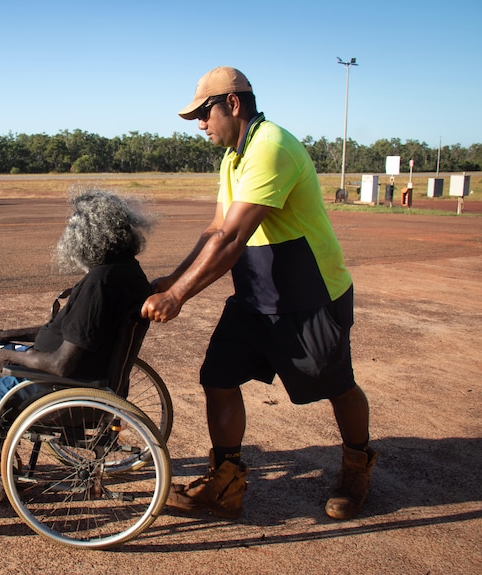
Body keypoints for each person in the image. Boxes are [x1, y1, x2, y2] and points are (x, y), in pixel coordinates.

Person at [141, 66, 377, 521]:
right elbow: (216, 228)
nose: (200, 124)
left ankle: (357, 466)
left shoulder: (271, 148)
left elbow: (232, 239)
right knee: (219, 377)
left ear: (232, 103)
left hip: (308, 297)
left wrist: (178, 297)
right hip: (256, 295)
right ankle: (225, 482)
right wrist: (174, 278)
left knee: (337, 385)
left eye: (203, 113)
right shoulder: (234, 157)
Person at [0, 188, 153, 499]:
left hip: (48, 386)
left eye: (73, 226)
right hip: (67, 377)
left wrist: (9, 357)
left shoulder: (99, 286)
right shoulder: (123, 272)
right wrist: (3, 335)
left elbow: (60, 363)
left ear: (90, 235)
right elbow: (64, 330)